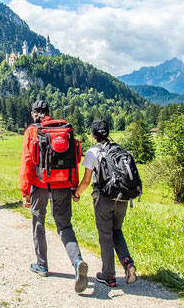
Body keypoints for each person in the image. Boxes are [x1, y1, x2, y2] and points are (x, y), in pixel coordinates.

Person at [20, 100, 88, 293]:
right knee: (64, 225)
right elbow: (75, 159)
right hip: (64, 184)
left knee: (38, 222)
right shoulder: (65, 128)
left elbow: (26, 162)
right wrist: (74, 186)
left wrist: (25, 191)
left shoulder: (32, 130)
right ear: (49, 112)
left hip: (39, 184)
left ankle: (42, 265)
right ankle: (77, 262)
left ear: (34, 114)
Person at [74, 119, 137, 288]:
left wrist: (76, 194)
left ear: (93, 135)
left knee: (105, 235)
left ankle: (109, 275)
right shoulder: (120, 150)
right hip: (123, 198)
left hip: (104, 199)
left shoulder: (92, 153)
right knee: (116, 231)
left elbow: (86, 181)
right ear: (108, 133)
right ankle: (128, 263)